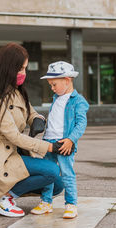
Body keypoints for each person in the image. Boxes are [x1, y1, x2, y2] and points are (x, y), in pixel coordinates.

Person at [0, 43, 66, 217]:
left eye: (24, 68)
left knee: (58, 184)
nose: (23, 73)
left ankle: (6, 193)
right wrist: (49, 147)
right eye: (20, 68)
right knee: (51, 171)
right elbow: (13, 136)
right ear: (8, 68)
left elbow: (31, 113)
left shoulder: (16, 91)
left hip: (12, 153)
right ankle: (2, 198)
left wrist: (37, 120)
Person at [30, 61, 89, 219]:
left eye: (54, 84)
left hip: (65, 143)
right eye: (50, 85)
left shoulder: (78, 101)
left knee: (67, 174)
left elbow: (81, 123)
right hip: (49, 142)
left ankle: (71, 204)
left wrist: (71, 139)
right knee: (48, 172)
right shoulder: (56, 98)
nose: (52, 88)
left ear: (67, 80)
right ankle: (46, 202)